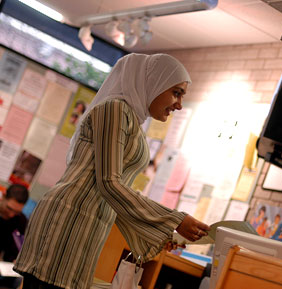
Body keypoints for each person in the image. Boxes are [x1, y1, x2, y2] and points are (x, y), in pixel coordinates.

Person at [13, 53, 211, 289]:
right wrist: (175, 220)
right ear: (154, 82)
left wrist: (159, 231)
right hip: (67, 219)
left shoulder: (134, 123)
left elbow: (116, 194)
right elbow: (109, 182)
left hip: (86, 226)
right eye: (176, 92)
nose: (179, 105)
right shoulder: (115, 110)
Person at [0, 184, 29, 289]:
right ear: (3, 197)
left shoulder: (21, 220)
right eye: (9, 208)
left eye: (16, 212)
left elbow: (17, 247)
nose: (11, 214)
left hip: (5, 269)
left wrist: (17, 259)